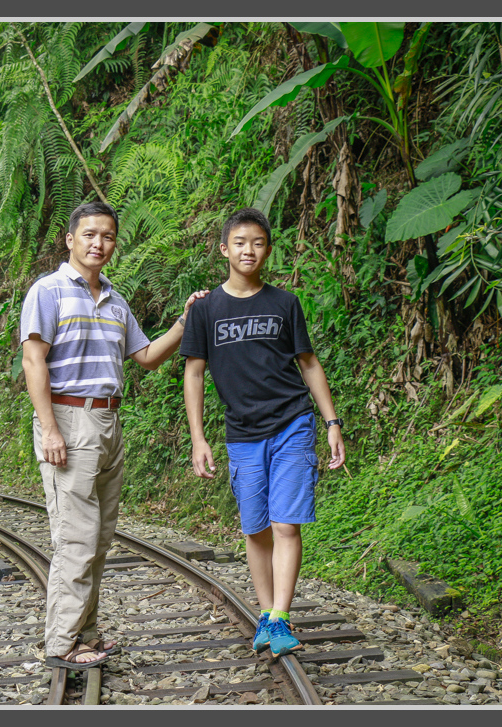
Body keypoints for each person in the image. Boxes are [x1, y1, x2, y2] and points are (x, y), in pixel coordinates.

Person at [20, 201, 207, 669]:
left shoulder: (115, 300)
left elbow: (146, 357)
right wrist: (49, 429)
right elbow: (33, 360)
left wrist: (184, 321)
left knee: (99, 539)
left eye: (107, 236)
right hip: (68, 419)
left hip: (109, 423)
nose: (98, 243)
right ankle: (61, 644)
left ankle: (85, 633)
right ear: (70, 239)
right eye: (89, 234)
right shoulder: (48, 291)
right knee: (76, 539)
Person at [179, 207, 345, 660]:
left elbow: (308, 363)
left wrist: (332, 423)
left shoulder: (284, 303)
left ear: (267, 250)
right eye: (239, 242)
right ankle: (267, 613)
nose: (248, 250)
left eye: (257, 243)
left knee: (285, 523)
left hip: (293, 422)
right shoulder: (206, 309)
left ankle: (279, 619)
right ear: (224, 249)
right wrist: (198, 437)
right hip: (242, 433)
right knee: (256, 529)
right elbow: (194, 374)